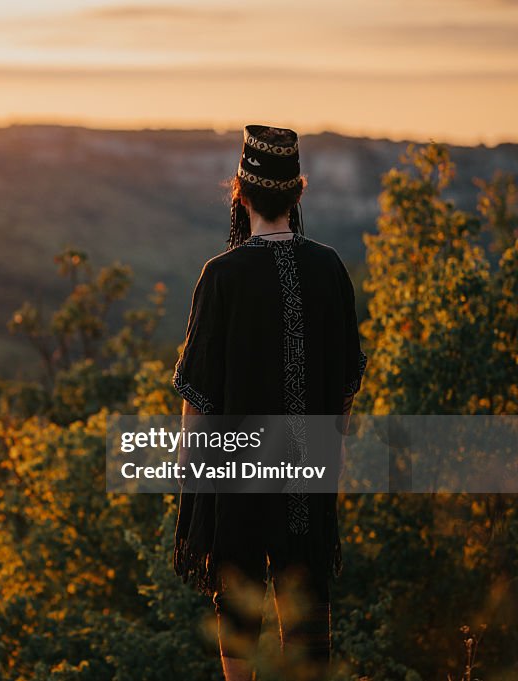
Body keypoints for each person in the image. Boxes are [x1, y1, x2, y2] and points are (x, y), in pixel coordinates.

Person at [170, 125, 367, 680]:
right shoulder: (329, 268)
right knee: (307, 636)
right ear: (297, 192)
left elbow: (199, 396)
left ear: (240, 193)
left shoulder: (222, 276)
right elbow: (347, 380)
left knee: (239, 628)